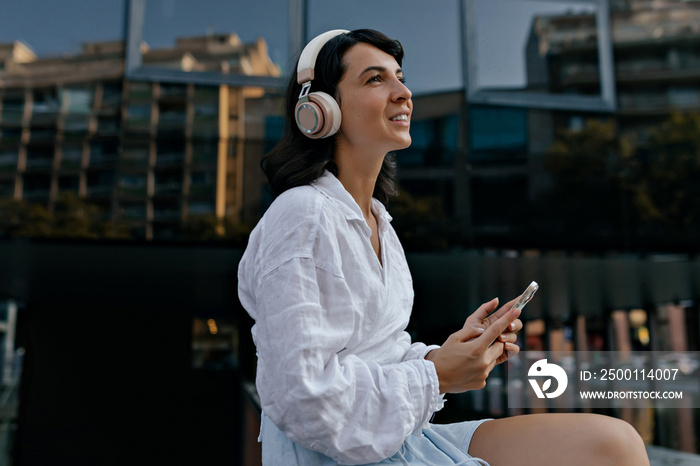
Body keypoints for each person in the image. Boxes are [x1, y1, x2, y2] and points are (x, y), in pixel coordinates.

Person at [237, 28, 650, 465]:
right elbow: (303, 398)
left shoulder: (378, 221)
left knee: (614, 443)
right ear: (318, 110)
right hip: (339, 454)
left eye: (400, 76)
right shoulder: (300, 215)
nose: (404, 93)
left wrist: (448, 354)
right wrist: (436, 376)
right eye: (375, 79)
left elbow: (382, 353)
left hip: (399, 438)